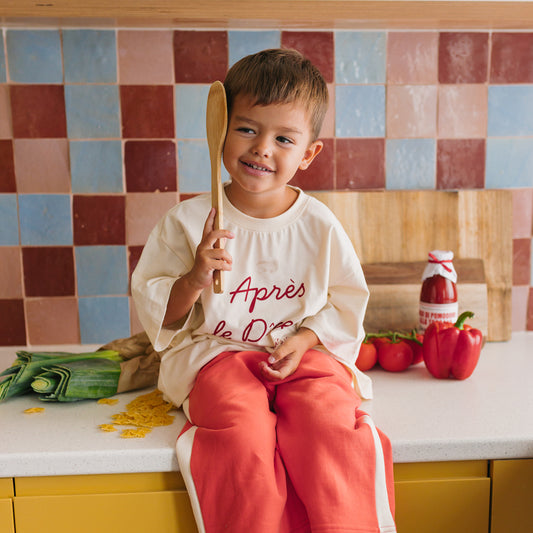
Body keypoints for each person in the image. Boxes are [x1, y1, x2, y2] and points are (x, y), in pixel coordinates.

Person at [131, 48, 396, 533]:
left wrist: (307, 338)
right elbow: (161, 317)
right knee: (243, 432)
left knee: (330, 425)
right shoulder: (188, 222)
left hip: (301, 356)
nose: (262, 149)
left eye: (284, 138)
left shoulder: (319, 225)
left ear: (308, 154)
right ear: (221, 132)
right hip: (216, 356)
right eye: (247, 129)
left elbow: (345, 301)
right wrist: (194, 277)